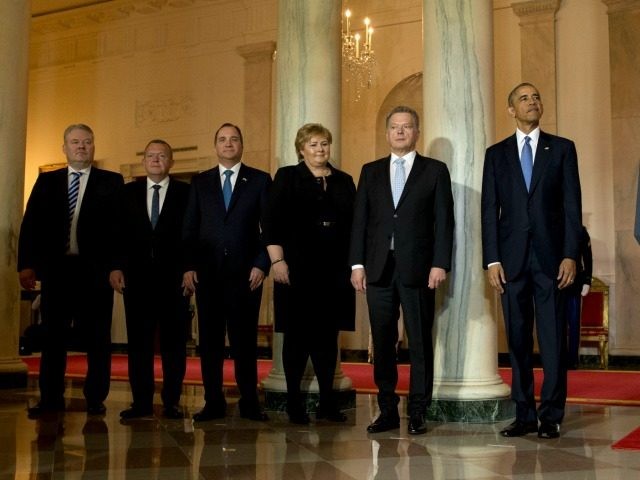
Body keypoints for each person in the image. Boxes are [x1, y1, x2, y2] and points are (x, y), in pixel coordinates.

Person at [481, 82, 583, 439]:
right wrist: (491, 260)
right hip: (510, 263)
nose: (532, 102)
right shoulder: (496, 154)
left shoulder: (563, 149)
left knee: (553, 339)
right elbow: (488, 210)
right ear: (511, 109)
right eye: (523, 98)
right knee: (518, 340)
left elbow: (573, 207)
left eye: (536, 96)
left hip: (552, 260)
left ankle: (551, 415)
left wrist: (570, 254)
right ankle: (524, 414)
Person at [349, 106, 454, 436]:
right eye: (394, 127)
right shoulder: (371, 171)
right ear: (386, 133)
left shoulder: (435, 171)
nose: (399, 132)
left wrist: (440, 263)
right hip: (378, 269)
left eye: (406, 127)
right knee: (383, 342)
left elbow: (444, 222)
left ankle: (419, 410)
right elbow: (360, 222)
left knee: (420, 341)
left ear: (416, 132)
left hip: (419, 269)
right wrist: (357, 264)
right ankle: (387, 410)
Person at [18, 124, 124, 417]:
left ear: (94, 146)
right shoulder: (47, 181)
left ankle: (95, 398)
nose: (81, 147)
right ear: (64, 148)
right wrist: (26, 264)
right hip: (57, 271)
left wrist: (116, 266)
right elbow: (31, 225)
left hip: (96, 273)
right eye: (75, 142)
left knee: (98, 338)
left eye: (87, 142)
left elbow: (119, 230)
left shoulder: (112, 182)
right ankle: (50, 398)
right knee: (53, 338)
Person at [263, 123, 356, 424]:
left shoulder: (344, 180)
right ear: (301, 149)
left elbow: (355, 226)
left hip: (333, 272)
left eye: (324, 143)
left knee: (327, 340)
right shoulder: (287, 177)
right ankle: (294, 403)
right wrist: (277, 262)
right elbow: (271, 222)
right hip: (295, 270)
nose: (320, 149)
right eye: (313, 144)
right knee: (296, 339)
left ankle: (327, 403)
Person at [182, 123, 271, 422]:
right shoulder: (200, 182)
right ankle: (213, 401)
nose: (228, 143)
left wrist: (262, 263)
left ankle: (249, 401)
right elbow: (190, 229)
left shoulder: (259, 180)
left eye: (234, 139)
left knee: (245, 342)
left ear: (242, 144)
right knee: (210, 342)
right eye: (222, 139)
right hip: (208, 276)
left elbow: (268, 229)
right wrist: (188, 266)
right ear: (215, 146)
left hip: (247, 276)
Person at [109, 139, 191, 420]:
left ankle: (171, 402)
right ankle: (141, 402)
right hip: (137, 280)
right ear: (143, 161)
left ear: (171, 162)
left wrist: (190, 268)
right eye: (150, 155)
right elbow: (116, 233)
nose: (156, 160)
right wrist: (115, 267)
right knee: (139, 345)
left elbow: (193, 235)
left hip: (175, 281)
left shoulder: (186, 193)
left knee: (174, 345)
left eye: (162, 156)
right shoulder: (127, 193)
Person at [565, 226, 592, 369]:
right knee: (556, 324)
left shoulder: (580, 230)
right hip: (554, 283)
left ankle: (573, 360)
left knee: (574, 323)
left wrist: (587, 280)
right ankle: (558, 358)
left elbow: (587, 256)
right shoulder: (551, 226)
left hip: (575, 283)